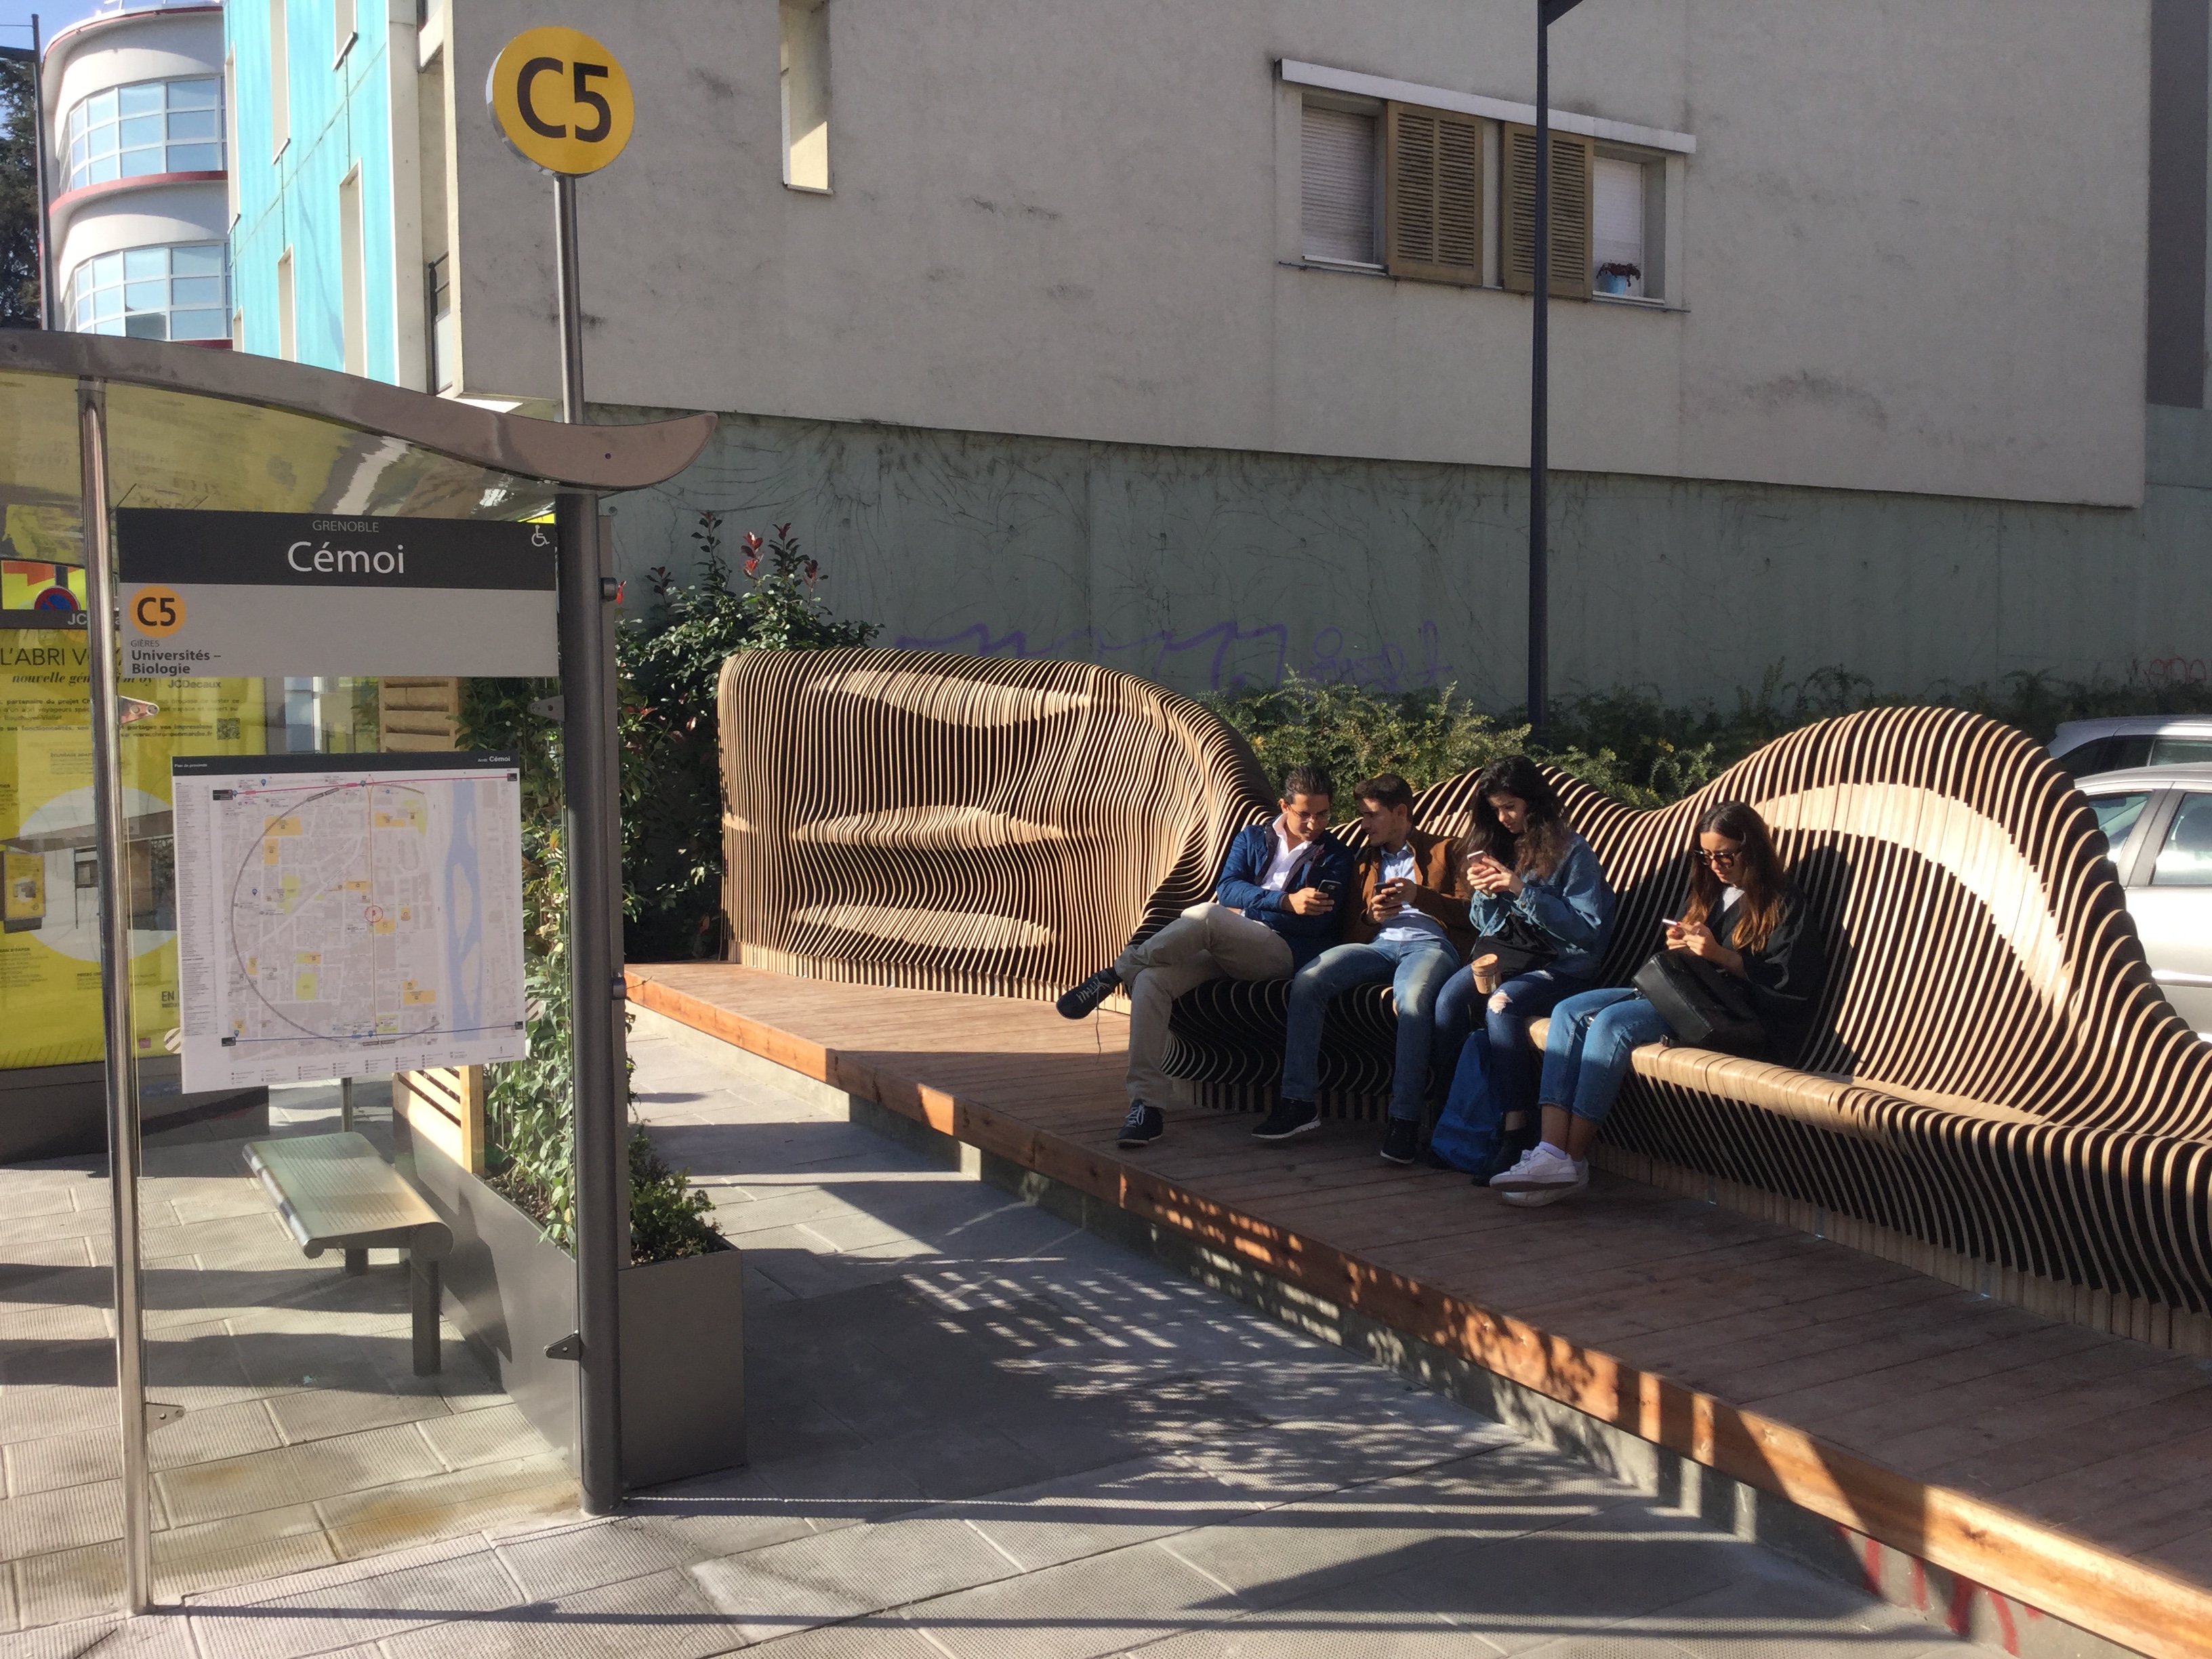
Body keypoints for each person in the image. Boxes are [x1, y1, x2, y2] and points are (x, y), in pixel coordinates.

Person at [1491, 800, 1827, 1206]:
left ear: (1752, 848)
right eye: (1706, 856)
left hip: (1724, 1012)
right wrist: (1683, 947)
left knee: (1610, 1026)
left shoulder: (1782, 903)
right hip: (1682, 992)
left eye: (1725, 855)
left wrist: (1719, 955)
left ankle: (1571, 1159)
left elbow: (1786, 983)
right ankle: (1550, 1153)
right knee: (1569, 1011)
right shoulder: (1711, 889)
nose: (1715, 865)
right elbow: (1695, 960)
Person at [1057, 764, 1351, 1149]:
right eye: (1305, 813)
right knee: (1152, 981)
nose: (1315, 823)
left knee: (1204, 915)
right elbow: (1227, 889)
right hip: (1225, 945)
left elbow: (1313, 924)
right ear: (1284, 806)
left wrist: (1257, 909)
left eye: (1323, 814)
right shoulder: (1252, 838)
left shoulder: (1336, 856)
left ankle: (1114, 972)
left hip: (1279, 952)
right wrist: (1283, 901)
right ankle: (1146, 1105)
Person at [1253, 773, 1471, 1162]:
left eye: (1370, 816)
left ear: (1400, 812)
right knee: (1309, 980)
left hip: (1429, 946)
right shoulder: (1363, 863)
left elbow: (1473, 915)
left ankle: (1404, 1121)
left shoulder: (1447, 851)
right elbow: (1348, 929)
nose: (1363, 825)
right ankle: (1298, 1101)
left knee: (1415, 1001)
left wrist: (1418, 896)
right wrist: (1371, 917)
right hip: (1379, 946)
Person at [1429, 756, 1616, 1180]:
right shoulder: (1498, 842)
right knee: (1447, 1003)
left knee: (1501, 1006)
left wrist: (1520, 889)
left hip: (1563, 963)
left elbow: (1587, 930)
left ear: (1534, 801)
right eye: (1495, 808)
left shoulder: (1572, 851)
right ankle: (1449, 1124)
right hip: (1510, 956)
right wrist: (1485, 892)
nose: (1503, 817)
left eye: (1510, 806)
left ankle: (1516, 1132)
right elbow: (1486, 925)